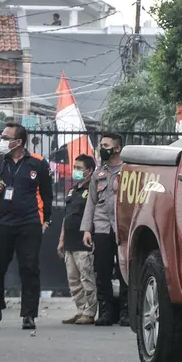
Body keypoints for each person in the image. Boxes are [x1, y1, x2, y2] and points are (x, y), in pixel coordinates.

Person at [0, 122, 53, 330]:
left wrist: (46, 220)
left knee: (29, 269)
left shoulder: (38, 163)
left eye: (5, 137)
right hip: (0, 222)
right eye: (2, 137)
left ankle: (29, 315)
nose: (1, 141)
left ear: (18, 142)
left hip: (29, 223)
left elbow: (47, 195)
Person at [81, 133, 126, 327]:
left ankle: (126, 312)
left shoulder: (129, 171)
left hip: (122, 226)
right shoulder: (99, 173)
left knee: (125, 271)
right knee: (102, 271)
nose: (102, 148)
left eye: (106, 145)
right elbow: (90, 203)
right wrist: (87, 229)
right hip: (101, 227)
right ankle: (105, 312)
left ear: (117, 148)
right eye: (101, 145)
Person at [57, 154, 97, 325]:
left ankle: (90, 312)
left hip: (83, 242)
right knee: (73, 279)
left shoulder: (93, 190)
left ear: (89, 170)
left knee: (86, 278)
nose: (76, 171)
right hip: (70, 242)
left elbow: (93, 216)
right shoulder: (73, 190)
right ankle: (80, 310)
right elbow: (67, 218)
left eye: (80, 168)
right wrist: (61, 240)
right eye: (75, 167)